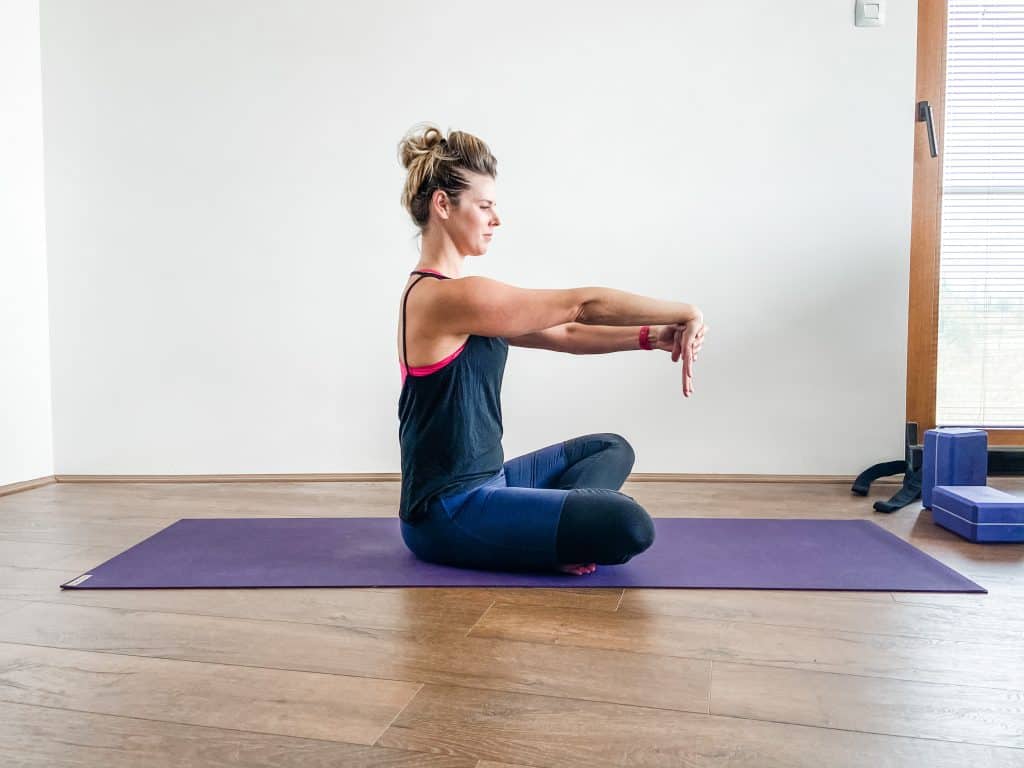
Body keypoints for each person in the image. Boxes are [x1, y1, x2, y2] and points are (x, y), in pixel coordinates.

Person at [395, 122, 707, 576]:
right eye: (485, 207)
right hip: (447, 513)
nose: (496, 219)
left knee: (610, 448)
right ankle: (552, 536)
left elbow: (565, 334)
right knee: (630, 525)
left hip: (492, 482)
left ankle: (545, 531)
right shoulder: (443, 298)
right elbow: (580, 307)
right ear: (443, 204)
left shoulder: (460, 301)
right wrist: (686, 310)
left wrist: (652, 336)